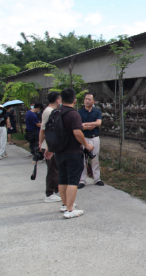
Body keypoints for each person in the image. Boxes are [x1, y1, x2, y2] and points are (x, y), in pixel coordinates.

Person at [55, 88, 94, 218]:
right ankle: (70, 210)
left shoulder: (56, 112)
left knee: (62, 178)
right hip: (72, 151)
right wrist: (86, 144)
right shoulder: (74, 114)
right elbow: (77, 132)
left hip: (59, 151)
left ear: (61, 99)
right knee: (72, 180)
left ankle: (64, 205)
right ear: (75, 100)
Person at [38, 92, 62, 203]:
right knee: (53, 170)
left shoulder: (50, 111)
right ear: (58, 100)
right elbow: (44, 130)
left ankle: (56, 189)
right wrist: (43, 144)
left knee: (55, 169)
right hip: (49, 145)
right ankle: (49, 193)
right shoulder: (49, 112)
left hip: (50, 145)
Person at [77, 92, 103, 189]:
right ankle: (82, 180)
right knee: (83, 160)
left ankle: (97, 178)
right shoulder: (79, 112)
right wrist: (89, 126)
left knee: (95, 159)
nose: (87, 101)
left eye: (89, 99)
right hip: (83, 138)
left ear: (93, 101)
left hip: (94, 137)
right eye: (86, 99)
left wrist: (85, 125)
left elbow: (98, 123)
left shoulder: (97, 112)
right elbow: (78, 126)